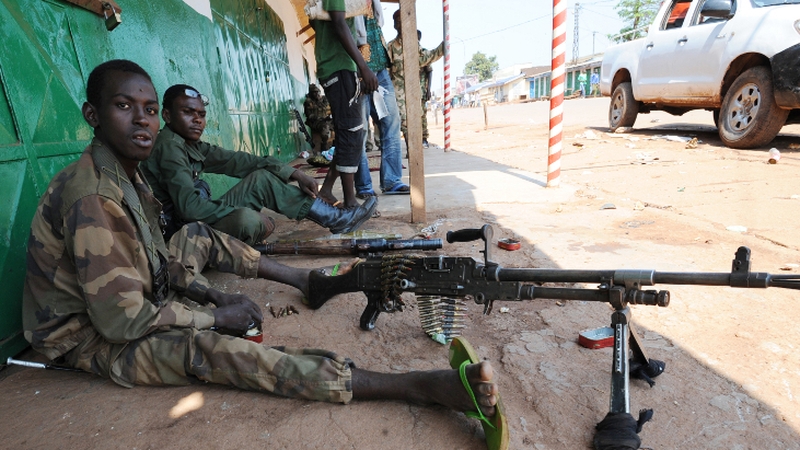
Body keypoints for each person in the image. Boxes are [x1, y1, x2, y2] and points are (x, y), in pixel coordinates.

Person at [22, 60, 506, 448]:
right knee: (210, 350)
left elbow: (157, 259)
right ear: (93, 115)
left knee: (198, 237)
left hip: (126, 300)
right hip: (86, 338)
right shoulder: (94, 197)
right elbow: (120, 324)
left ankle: (305, 281)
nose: (142, 120)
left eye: (148, 109)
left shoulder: (128, 172)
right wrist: (213, 319)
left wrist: (209, 293)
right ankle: (414, 386)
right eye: (125, 107)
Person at [141, 84, 377, 246]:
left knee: (261, 179)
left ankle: (335, 219)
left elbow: (239, 161)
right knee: (248, 220)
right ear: (168, 116)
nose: (197, 120)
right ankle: (336, 219)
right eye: (188, 112)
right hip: (181, 235)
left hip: (193, 222)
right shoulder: (169, 147)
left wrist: (293, 173)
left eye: (201, 114)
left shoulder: (188, 144)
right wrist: (237, 213)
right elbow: (190, 209)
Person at [309, 0, 378, 210]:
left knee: (350, 132)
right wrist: (363, 67)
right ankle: (349, 202)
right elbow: (339, 23)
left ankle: (327, 190)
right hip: (338, 67)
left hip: (337, 66)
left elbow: (320, 23)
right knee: (351, 133)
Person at [352, 0, 410, 196]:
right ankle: (364, 186)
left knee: (391, 125)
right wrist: (362, 69)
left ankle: (392, 181)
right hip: (357, 68)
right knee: (359, 131)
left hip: (380, 67)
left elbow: (378, 21)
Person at [387, 10, 444, 152]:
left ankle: (413, 150)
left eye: (403, 21)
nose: (401, 25)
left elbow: (426, 58)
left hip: (414, 90)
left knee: (416, 120)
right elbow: (385, 70)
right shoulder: (391, 47)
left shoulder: (414, 45)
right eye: (398, 22)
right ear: (394, 25)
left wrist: (444, 46)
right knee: (402, 121)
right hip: (397, 91)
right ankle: (409, 150)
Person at [303, 84, 333, 155]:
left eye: (317, 92)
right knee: (324, 127)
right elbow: (310, 116)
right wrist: (322, 118)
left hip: (324, 120)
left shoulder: (321, 100)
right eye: (314, 92)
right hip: (314, 122)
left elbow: (327, 102)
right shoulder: (308, 102)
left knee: (337, 124)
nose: (316, 94)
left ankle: (334, 145)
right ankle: (324, 146)